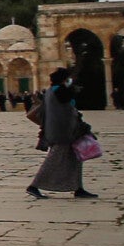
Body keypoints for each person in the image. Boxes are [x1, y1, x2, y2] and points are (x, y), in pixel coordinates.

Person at [27, 67, 96, 200]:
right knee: (53, 160)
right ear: (64, 79)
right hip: (63, 132)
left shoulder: (51, 91)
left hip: (64, 131)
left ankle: (78, 188)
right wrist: (73, 89)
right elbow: (66, 102)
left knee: (76, 158)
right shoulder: (59, 91)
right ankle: (34, 186)